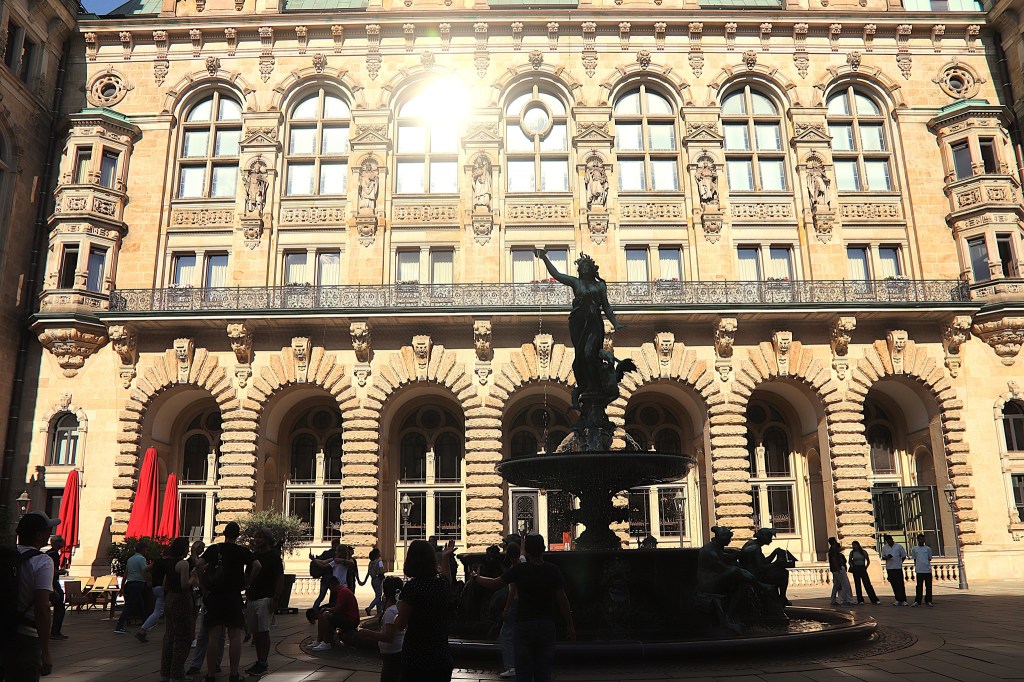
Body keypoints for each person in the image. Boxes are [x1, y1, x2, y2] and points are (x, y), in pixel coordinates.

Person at [474, 534, 577, 682]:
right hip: (546, 624)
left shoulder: (519, 570)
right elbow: (563, 600)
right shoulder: (553, 570)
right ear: (543, 549)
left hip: (523, 625)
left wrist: (477, 578)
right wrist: (570, 625)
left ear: (527, 551)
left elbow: (495, 583)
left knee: (523, 672)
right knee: (544, 672)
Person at [535, 249, 624, 409]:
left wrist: (615, 323)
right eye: (581, 266)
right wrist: (544, 258)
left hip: (594, 323)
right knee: (581, 356)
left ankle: (593, 385)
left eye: (586, 266)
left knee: (590, 353)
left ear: (591, 268)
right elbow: (557, 275)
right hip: (578, 323)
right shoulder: (576, 283)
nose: (583, 268)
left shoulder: (600, 285)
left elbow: (606, 306)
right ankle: (587, 385)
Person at [196, 521, 260, 682]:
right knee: (235, 636)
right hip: (233, 596)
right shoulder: (242, 551)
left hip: (215, 596)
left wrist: (203, 582)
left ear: (224, 534)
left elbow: (199, 564)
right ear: (238, 535)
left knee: (213, 637)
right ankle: (233, 674)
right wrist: (248, 582)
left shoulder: (214, 549)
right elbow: (257, 565)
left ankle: (210, 675)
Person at [2, 511, 59, 680]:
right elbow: (42, 608)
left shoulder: (4, 556)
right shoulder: (43, 561)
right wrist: (46, 651)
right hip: (26, 637)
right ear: (39, 535)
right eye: (49, 530)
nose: (50, 533)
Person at [393, 539, 457, 682]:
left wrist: (396, 614)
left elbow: (400, 625)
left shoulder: (412, 587)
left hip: (417, 657)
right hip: (441, 656)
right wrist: (445, 557)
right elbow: (448, 578)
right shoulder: (441, 584)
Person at [245, 528, 284, 676]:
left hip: (266, 598)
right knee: (256, 633)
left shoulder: (274, 557)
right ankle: (259, 660)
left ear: (267, 539)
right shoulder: (253, 556)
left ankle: (263, 662)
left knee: (263, 631)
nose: (256, 540)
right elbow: (247, 574)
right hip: (253, 597)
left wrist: (276, 598)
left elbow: (280, 578)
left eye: (260, 537)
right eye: (255, 537)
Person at [159, 537, 194, 682]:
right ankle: (177, 674)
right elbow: (185, 585)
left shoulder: (169, 563)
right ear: (184, 549)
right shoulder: (183, 564)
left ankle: (165, 673)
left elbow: (164, 585)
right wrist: (193, 577)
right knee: (183, 637)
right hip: (181, 600)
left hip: (170, 599)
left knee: (169, 636)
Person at [359, 575, 405, 682]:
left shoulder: (391, 612)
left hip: (392, 655)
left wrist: (368, 633)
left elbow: (389, 637)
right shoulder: (397, 608)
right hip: (394, 653)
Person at [137, 544, 174, 642]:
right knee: (161, 611)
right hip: (164, 588)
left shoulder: (157, 561)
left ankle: (143, 630)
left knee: (159, 611)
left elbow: (144, 569)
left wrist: (148, 580)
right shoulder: (170, 563)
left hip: (155, 587)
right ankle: (143, 630)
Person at [311, 578, 360, 651]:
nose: (330, 591)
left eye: (329, 588)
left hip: (351, 620)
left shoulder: (343, 592)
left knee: (325, 615)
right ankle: (319, 640)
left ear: (331, 585)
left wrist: (327, 609)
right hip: (347, 617)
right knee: (322, 614)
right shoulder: (342, 590)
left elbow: (337, 609)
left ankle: (326, 642)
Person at [115, 540, 150, 634]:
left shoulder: (130, 559)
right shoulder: (141, 559)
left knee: (140, 604)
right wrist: (148, 580)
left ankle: (145, 623)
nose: (147, 551)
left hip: (130, 583)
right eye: (146, 549)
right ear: (143, 549)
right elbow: (144, 570)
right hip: (138, 583)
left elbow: (125, 574)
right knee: (130, 606)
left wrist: (122, 587)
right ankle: (119, 626)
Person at [45, 535, 68, 640]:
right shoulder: (54, 554)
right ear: (56, 543)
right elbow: (53, 571)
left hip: (49, 582)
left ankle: (52, 631)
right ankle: (55, 632)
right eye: (61, 541)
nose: (63, 543)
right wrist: (62, 572)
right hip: (53, 583)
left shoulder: (48, 553)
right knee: (60, 607)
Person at [880, 534, 909, 606]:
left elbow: (903, 556)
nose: (889, 542)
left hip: (897, 567)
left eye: (889, 540)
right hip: (890, 568)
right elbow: (883, 557)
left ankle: (903, 599)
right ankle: (898, 599)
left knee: (900, 584)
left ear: (892, 539)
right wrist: (887, 557)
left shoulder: (899, 546)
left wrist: (899, 562)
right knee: (894, 584)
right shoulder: (885, 548)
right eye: (887, 541)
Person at [827, 538, 856, 606]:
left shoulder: (831, 551)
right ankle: (843, 600)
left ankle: (833, 600)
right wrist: (838, 569)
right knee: (845, 584)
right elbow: (835, 560)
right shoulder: (834, 551)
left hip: (834, 569)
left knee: (836, 585)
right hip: (838, 569)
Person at [312, 539, 340, 609]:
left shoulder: (326, 553)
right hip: (334, 579)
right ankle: (332, 610)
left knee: (321, 596)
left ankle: (314, 610)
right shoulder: (337, 555)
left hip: (325, 578)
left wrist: (314, 559)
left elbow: (321, 561)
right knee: (334, 597)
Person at [911, 534, 934, 607]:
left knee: (928, 586)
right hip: (919, 570)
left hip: (927, 570)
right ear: (918, 540)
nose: (922, 541)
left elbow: (929, 558)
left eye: (923, 539)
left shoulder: (928, 549)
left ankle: (928, 600)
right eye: (920, 539)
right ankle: (918, 601)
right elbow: (914, 559)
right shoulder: (915, 549)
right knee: (919, 586)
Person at [365, 547, 386, 616]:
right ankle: (370, 607)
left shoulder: (371, 563)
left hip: (373, 579)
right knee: (378, 596)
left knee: (377, 595)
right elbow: (381, 570)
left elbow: (368, 572)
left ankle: (379, 611)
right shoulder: (379, 561)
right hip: (378, 579)